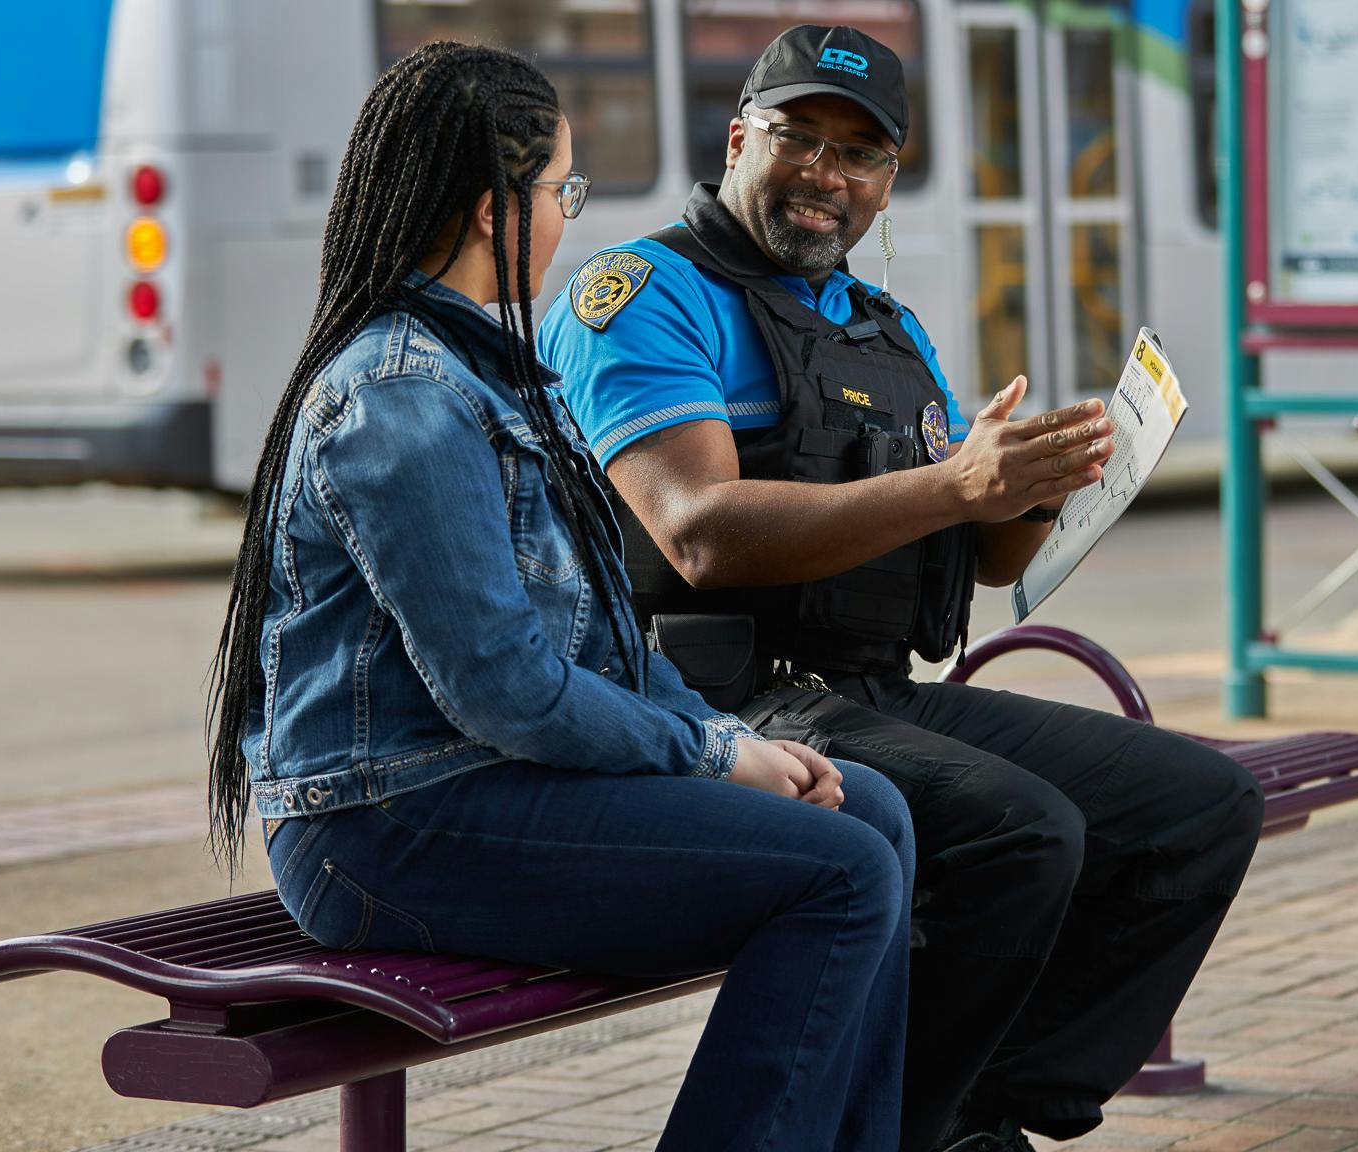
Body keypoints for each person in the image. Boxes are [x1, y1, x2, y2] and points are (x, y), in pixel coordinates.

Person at [539, 25, 1265, 1152]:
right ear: (739, 138)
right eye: (799, 139)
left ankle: (973, 1112)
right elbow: (698, 536)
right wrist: (953, 485)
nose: (827, 176)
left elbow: (984, 561)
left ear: (887, 180)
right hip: (711, 702)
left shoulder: (884, 326)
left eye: (862, 153)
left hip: (870, 693)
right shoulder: (641, 292)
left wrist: (1036, 486)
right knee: (1020, 834)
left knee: (1195, 807)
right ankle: (898, 1130)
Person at [200, 43, 915, 1152]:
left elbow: (605, 641)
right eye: (559, 193)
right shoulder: (400, 395)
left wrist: (715, 728)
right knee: (842, 872)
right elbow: (510, 692)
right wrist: (715, 757)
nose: (567, 218)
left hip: (472, 790)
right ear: (495, 212)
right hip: (388, 829)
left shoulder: (484, 371)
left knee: (868, 808)